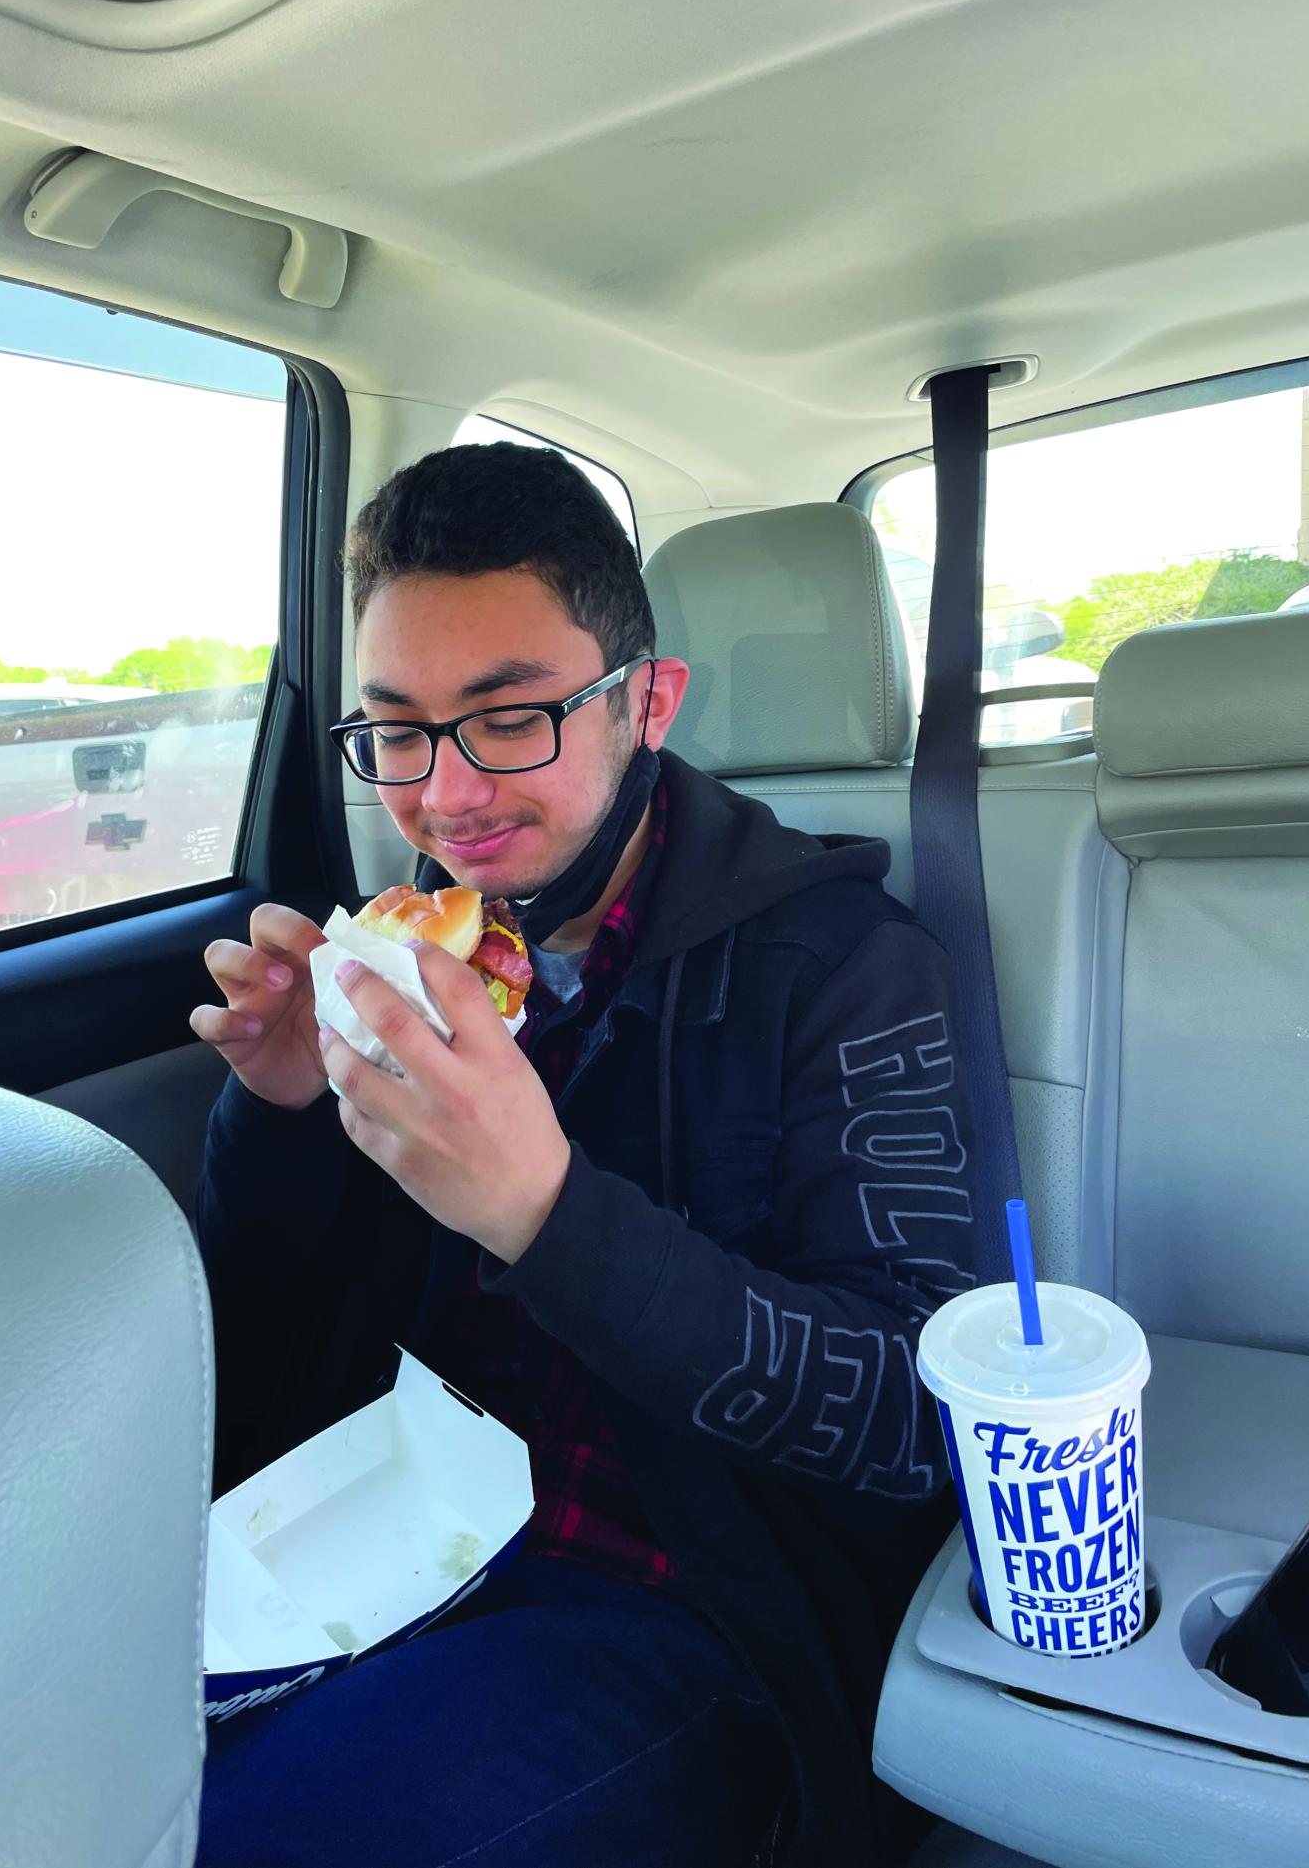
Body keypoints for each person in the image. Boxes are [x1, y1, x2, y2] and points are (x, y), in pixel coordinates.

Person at [189, 443, 976, 1868]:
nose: (445, 795)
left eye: (509, 719)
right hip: (379, 1519)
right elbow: (260, 1324)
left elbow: (907, 1414)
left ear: (647, 702)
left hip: (684, 1602)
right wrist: (282, 1108)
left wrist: (544, 1212)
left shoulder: (844, 963)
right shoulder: (408, 951)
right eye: (399, 732)